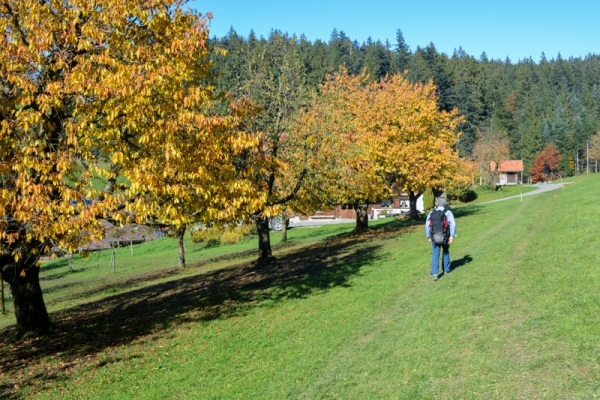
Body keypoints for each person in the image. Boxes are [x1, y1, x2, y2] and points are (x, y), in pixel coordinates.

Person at [425, 197, 456, 281]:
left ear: (436, 204)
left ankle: (435, 273)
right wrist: (452, 236)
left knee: (435, 254)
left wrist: (428, 236)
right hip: (445, 236)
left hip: (435, 236)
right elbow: (453, 224)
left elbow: (427, 225)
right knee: (445, 252)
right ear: (444, 203)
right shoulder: (448, 212)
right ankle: (446, 270)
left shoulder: (432, 212)